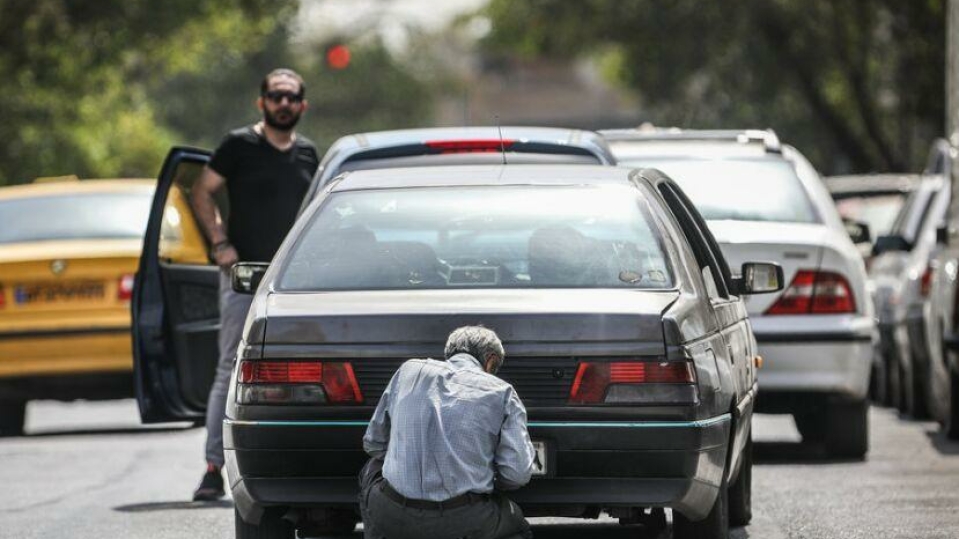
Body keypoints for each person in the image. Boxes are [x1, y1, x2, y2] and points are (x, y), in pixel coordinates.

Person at [190, 68, 320, 501]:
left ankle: (301, 466)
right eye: (275, 96)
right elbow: (201, 191)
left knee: (305, 370)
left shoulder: (308, 155)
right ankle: (213, 469)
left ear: (302, 104)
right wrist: (220, 243)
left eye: (291, 97)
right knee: (230, 369)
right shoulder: (238, 145)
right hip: (243, 279)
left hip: (295, 281)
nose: (283, 104)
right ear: (260, 101)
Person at [359, 326, 536, 539]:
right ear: (490, 360)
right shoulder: (503, 392)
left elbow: (374, 443)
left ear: (449, 353)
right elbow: (516, 475)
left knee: (370, 468)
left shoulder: (409, 371)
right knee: (517, 526)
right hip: (463, 520)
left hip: (392, 514)